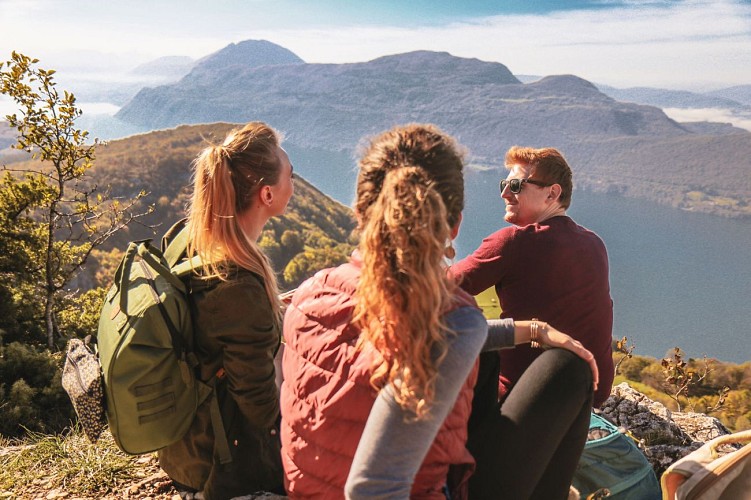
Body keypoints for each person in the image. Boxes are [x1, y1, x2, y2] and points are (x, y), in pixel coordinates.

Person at [280, 124, 598, 499]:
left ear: (360, 211)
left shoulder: (309, 294)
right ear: (456, 222)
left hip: (307, 488)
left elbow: (440, 330)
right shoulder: (450, 318)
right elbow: (371, 489)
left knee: (485, 358)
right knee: (567, 371)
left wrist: (531, 329)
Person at [450, 146, 614, 498]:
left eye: (517, 186)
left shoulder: (513, 243)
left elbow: (431, 292)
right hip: (579, 403)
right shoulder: (595, 244)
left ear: (552, 193)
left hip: (514, 405)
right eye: (504, 184)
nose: (505, 193)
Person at [158, 122, 294, 499]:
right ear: (267, 193)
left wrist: (272, 311)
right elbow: (260, 408)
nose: (294, 184)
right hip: (221, 470)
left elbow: (210, 329)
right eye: (291, 175)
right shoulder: (238, 283)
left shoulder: (187, 237)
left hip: (184, 446)